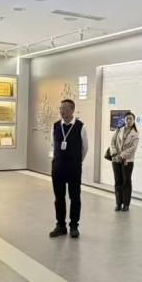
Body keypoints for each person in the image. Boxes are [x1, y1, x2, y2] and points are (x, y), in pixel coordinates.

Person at [49, 99, 88, 239]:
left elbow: (85, 148)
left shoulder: (80, 126)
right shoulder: (55, 126)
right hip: (58, 168)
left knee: (75, 197)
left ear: (72, 110)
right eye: (61, 108)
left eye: (65, 108)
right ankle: (60, 226)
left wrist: (76, 162)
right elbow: (52, 145)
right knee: (59, 197)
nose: (62, 111)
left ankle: (74, 226)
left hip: (74, 168)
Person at [109, 112, 140, 212]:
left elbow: (133, 148)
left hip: (127, 161)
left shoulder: (135, 134)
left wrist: (121, 156)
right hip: (115, 159)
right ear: (124, 120)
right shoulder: (119, 129)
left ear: (133, 121)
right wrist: (115, 153)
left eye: (131, 119)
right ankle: (118, 203)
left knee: (126, 182)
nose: (129, 120)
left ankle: (126, 204)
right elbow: (112, 142)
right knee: (118, 181)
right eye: (127, 119)